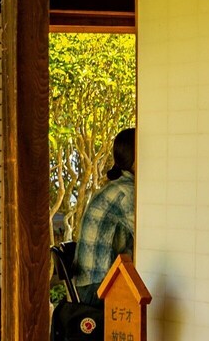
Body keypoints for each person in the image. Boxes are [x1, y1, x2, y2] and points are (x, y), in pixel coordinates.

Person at [72, 128, 136, 306]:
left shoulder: (119, 186)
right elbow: (149, 240)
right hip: (98, 287)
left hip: (89, 283)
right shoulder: (126, 191)